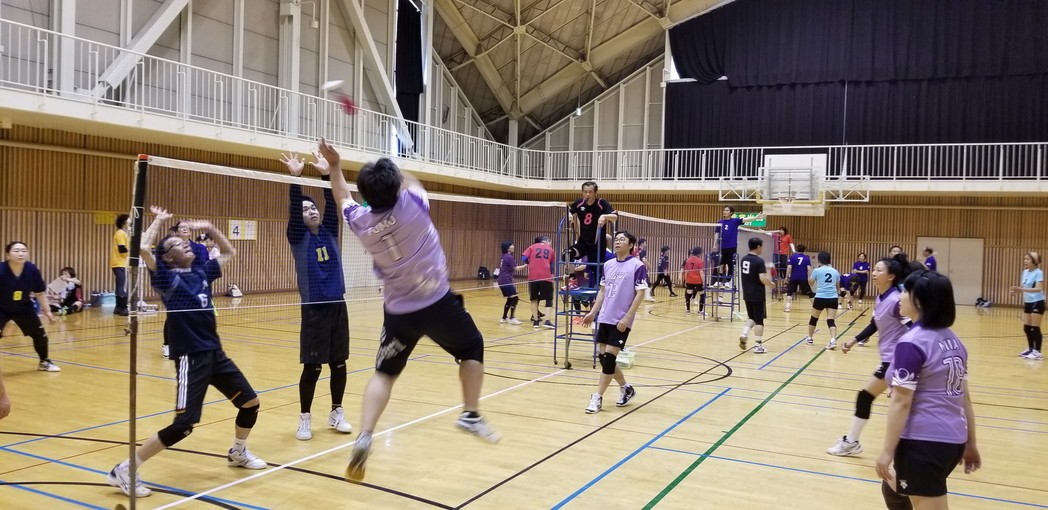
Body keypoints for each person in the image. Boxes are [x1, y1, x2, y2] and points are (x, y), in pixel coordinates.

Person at [316, 140, 501, 482]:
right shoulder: (413, 203)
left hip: (399, 312)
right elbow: (411, 181)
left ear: (367, 195)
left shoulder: (360, 221)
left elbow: (342, 197)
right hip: (437, 302)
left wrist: (336, 167)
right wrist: (396, 165)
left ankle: (365, 435)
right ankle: (471, 413)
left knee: (384, 373)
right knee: (472, 347)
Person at [107, 209, 267, 498]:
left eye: (185, 242)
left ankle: (237, 452)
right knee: (184, 424)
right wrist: (158, 221)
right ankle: (125, 469)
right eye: (177, 245)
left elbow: (229, 251)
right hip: (191, 359)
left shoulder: (202, 271)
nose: (185, 244)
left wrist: (210, 226)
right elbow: (142, 248)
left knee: (250, 403)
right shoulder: (166, 278)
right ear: (168, 258)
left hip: (215, 353)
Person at [875, 271, 981, 510]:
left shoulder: (912, 343)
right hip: (953, 440)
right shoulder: (954, 341)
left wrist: (887, 451)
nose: (899, 296)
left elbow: (901, 402)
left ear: (919, 301)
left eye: (905, 291)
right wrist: (971, 443)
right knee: (893, 486)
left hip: (923, 443)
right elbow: (965, 399)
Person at [280, 151, 354, 441]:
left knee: (339, 363)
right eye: (305, 209)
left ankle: (336, 412)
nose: (311, 211)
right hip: (314, 308)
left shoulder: (329, 231)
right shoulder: (298, 237)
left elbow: (332, 203)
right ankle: (305, 418)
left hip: (338, 305)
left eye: (313, 208)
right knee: (313, 367)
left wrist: (326, 175)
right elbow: (294, 208)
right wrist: (296, 179)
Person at [827, 254, 914, 457]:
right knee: (870, 397)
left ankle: (854, 442)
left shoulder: (896, 301)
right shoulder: (881, 297)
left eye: (879, 270)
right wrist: (853, 340)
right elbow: (875, 324)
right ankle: (853, 442)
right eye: (873, 269)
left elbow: (915, 327)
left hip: (897, 361)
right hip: (890, 360)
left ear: (891, 276)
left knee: (873, 398)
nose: (873, 273)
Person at [581, 231, 645, 413]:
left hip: (621, 320)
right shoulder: (608, 265)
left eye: (622, 240)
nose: (617, 242)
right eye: (616, 240)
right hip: (605, 317)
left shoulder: (637, 265)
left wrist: (627, 317)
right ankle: (626, 388)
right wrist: (592, 313)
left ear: (630, 245)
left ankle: (597, 397)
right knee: (604, 359)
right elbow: (602, 291)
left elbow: (640, 293)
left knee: (609, 359)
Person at [1, 242, 59, 371]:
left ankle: (44, 362)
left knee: (39, 333)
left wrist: (48, 311)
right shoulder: (1, 270)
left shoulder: (31, 269)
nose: (21, 254)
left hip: (23, 307)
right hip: (1, 308)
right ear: (7, 255)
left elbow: (39, 292)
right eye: (16, 251)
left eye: (23, 251)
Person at [161, 221, 211, 359]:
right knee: (174, 315)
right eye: (181, 227)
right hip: (176, 285)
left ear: (190, 231)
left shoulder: (199, 248)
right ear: (177, 231)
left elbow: (204, 267)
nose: (184, 229)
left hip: (195, 286)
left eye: (187, 227)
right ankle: (167, 345)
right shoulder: (169, 247)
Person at [568, 181, 617, 287]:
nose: (587, 194)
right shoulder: (579, 203)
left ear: (595, 193)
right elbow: (569, 210)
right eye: (585, 192)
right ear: (582, 192)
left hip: (597, 244)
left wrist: (604, 216)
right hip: (583, 243)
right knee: (567, 254)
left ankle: (597, 292)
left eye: (590, 192)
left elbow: (615, 217)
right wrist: (569, 214)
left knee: (596, 271)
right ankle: (572, 279)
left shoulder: (602, 203)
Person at [738, 238, 774, 354]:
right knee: (759, 320)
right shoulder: (759, 261)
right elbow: (762, 278)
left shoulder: (744, 259)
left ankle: (744, 334)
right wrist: (771, 284)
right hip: (757, 294)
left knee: (751, 317)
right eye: (762, 246)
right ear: (758, 246)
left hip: (747, 293)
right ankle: (758, 346)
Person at [1011, 251, 1044, 360]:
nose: (1025, 261)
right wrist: (1016, 290)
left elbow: (1038, 289)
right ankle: (1030, 348)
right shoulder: (1025, 272)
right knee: (1027, 327)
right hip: (1028, 302)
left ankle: (1037, 352)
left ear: (1034, 261)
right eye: (1025, 259)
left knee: (1035, 328)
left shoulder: (1038, 272)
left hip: (1037, 302)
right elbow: (1023, 286)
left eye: (1028, 259)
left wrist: (1022, 290)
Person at [805, 252, 841, 350]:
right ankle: (833, 340)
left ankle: (810, 338)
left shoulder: (817, 270)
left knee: (814, 319)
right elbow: (838, 286)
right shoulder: (835, 271)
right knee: (831, 320)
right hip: (833, 298)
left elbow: (811, 283)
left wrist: (811, 275)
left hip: (820, 297)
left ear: (819, 260)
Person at [523, 236, 556, 329]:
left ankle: (536, 321)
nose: (550, 244)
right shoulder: (550, 249)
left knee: (534, 299)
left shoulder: (532, 247)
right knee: (549, 299)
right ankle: (547, 321)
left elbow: (523, 257)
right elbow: (552, 264)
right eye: (550, 242)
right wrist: (552, 274)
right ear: (546, 241)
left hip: (533, 276)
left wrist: (530, 262)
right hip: (546, 276)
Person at [713, 206, 746, 286]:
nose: (724, 211)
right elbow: (717, 233)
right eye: (724, 210)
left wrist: (757, 217)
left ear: (731, 213)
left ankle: (728, 280)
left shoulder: (735, 221)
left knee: (730, 264)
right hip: (722, 246)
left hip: (732, 246)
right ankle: (720, 279)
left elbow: (745, 219)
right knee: (721, 263)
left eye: (727, 210)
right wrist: (714, 244)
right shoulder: (720, 222)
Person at [496, 241, 526, 325]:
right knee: (515, 298)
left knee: (510, 298)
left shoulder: (504, 256)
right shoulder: (509, 257)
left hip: (501, 280)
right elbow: (517, 268)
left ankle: (504, 318)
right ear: (508, 247)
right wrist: (527, 265)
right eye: (511, 245)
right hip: (506, 280)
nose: (513, 246)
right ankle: (512, 318)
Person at [110, 214, 131, 316]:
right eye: (129, 220)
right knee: (123, 286)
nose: (130, 222)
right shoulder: (121, 233)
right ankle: (123, 308)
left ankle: (118, 308)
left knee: (120, 285)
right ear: (124, 222)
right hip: (121, 263)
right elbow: (122, 249)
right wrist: (133, 250)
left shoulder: (121, 233)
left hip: (118, 263)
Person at [783, 244, 813, 312]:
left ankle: (787, 307)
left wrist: (786, 277)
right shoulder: (806, 258)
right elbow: (809, 268)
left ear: (796, 249)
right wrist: (811, 277)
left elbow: (789, 267)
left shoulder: (792, 257)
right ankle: (815, 307)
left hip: (794, 277)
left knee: (789, 293)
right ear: (804, 250)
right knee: (809, 292)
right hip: (803, 278)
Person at [682, 247, 705, 315]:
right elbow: (701, 272)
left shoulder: (688, 260)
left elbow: (686, 271)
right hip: (698, 281)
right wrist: (704, 281)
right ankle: (700, 311)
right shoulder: (700, 261)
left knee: (688, 295)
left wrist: (685, 280)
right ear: (699, 253)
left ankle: (688, 310)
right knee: (702, 295)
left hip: (689, 280)